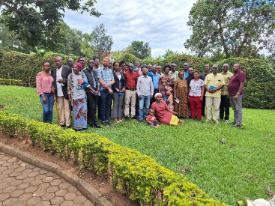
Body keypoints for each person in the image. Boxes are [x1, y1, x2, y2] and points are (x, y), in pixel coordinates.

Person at [68, 63, 91, 131]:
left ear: (79, 68)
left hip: (83, 96)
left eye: (76, 67)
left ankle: (83, 125)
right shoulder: (70, 76)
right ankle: (77, 127)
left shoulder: (82, 75)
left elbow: (86, 84)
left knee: (83, 111)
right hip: (75, 97)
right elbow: (69, 87)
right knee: (76, 112)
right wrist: (69, 97)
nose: (74, 68)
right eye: (73, 67)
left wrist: (84, 84)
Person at [51, 56, 72, 128]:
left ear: (61, 61)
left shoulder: (67, 68)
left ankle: (68, 124)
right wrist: (53, 86)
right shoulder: (53, 70)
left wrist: (63, 81)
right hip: (58, 91)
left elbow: (70, 80)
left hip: (65, 91)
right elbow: (53, 80)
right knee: (60, 108)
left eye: (58, 61)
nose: (57, 62)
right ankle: (62, 122)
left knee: (67, 107)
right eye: (56, 61)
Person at [82, 59, 100, 128]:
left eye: (93, 63)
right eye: (90, 62)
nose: (92, 64)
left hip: (96, 91)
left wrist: (97, 89)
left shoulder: (95, 72)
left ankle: (91, 121)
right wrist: (93, 90)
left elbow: (97, 81)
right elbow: (85, 83)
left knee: (94, 107)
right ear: (87, 63)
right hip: (89, 92)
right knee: (91, 107)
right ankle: (94, 123)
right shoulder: (84, 72)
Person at [98, 57, 115, 125]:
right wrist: (108, 88)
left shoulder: (110, 71)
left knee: (108, 105)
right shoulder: (100, 69)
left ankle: (107, 118)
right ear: (102, 62)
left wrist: (108, 85)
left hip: (109, 91)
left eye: (106, 61)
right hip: (103, 91)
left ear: (108, 63)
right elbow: (100, 80)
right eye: (104, 61)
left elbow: (113, 80)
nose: (105, 62)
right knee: (103, 105)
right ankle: (103, 119)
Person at [228, 63, 246, 128]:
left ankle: (239, 123)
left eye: (236, 66)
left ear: (239, 67)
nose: (234, 67)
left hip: (236, 95)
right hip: (231, 94)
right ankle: (235, 121)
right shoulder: (234, 74)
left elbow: (242, 84)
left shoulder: (241, 73)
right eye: (233, 66)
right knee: (235, 109)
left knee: (238, 108)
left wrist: (238, 94)